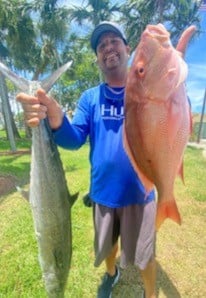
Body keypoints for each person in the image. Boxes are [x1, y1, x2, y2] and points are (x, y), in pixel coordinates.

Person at [17, 21, 157, 298]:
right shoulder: (90, 98)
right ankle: (111, 273)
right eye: (101, 45)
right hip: (103, 194)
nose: (108, 48)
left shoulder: (146, 90)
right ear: (97, 58)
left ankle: (151, 293)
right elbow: (74, 138)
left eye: (114, 41)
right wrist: (55, 117)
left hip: (141, 193)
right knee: (107, 247)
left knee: (144, 254)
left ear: (127, 48)